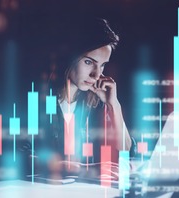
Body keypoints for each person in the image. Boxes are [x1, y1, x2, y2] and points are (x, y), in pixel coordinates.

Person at [33, 16, 135, 180]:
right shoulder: (37, 100)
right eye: (88, 62)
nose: (96, 74)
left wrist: (113, 105)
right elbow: (19, 156)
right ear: (68, 58)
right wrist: (81, 170)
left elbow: (125, 151)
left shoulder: (93, 102)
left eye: (102, 65)